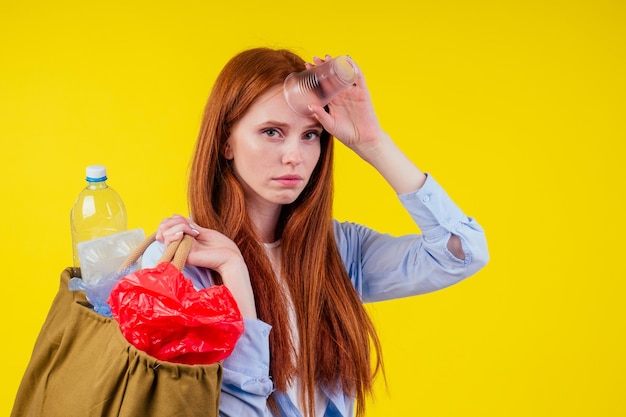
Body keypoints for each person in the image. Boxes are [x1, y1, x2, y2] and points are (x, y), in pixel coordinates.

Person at [142, 47, 489, 417]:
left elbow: (461, 252)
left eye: (311, 135)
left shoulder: (338, 249)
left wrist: (373, 142)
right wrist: (234, 272)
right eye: (272, 132)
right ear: (226, 141)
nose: (295, 155)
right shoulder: (181, 265)